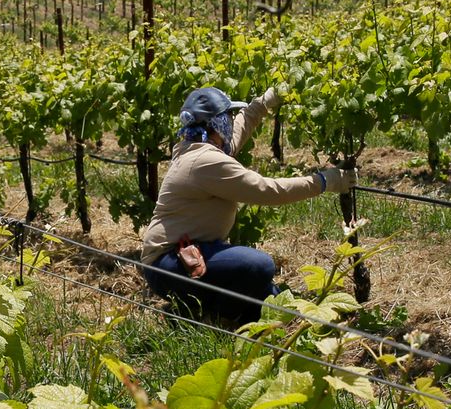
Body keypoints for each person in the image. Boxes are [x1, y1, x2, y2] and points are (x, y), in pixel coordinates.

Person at [139, 85, 351, 323]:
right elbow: (267, 191)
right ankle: (206, 317)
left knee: (270, 301)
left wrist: (264, 102)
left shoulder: (197, 147)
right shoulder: (204, 161)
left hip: (180, 257)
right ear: (215, 123)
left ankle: (210, 314)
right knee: (258, 266)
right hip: (169, 264)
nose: (230, 122)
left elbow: (241, 126)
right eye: (226, 118)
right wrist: (323, 181)